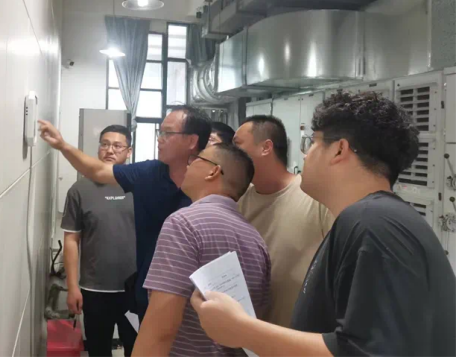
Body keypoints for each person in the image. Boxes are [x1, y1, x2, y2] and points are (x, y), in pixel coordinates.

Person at [191, 91, 456, 357]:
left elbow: (363, 352)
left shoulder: (372, 223)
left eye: (312, 142)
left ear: (339, 150)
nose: (305, 155)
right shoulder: (373, 219)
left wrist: (241, 330)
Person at [39, 105, 212, 320]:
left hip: (197, 295)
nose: (160, 139)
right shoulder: (148, 174)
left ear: (192, 141)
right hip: (150, 291)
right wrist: (63, 146)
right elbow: (98, 170)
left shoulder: (213, 181)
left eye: (167, 133)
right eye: (160, 132)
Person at [132, 144, 270, 357]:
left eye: (195, 159)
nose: (188, 166)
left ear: (213, 171)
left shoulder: (184, 224)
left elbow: (160, 331)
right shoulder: (256, 240)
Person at [233, 115, 334, 327]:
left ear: (266, 148)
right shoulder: (239, 201)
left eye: (237, 145)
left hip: (298, 334)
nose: (231, 154)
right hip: (249, 331)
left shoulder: (315, 198)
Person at [61, 125, 137, 357]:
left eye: (117, 146)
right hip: (94, 289)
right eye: (105, 144)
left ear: (129, 151)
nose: (110, 150)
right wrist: (72, 287)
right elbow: (71, 240)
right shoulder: (79, 190)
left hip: (135, 289)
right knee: (98, 350)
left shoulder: (140, 186)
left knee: (138, 349)